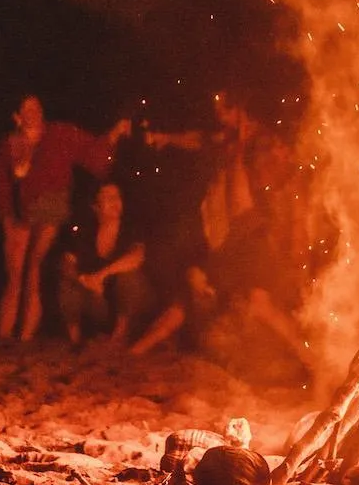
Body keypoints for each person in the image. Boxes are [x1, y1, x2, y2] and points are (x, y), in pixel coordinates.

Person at [132, 90, 308, 364]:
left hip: (257, 233)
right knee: (200, 285)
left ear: (240, 109)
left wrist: (294, 236)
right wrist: (166, 138)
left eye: (224, 109)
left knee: (256, 302)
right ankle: (139, 348)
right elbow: (199, 139)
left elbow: (287, 182)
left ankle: (310, 358)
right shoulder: (228, 139)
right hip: (236, 237)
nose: (218, 116)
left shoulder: (263, 141)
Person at [0, 95, 131, 343]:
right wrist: (5, 220)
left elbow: (92, 150)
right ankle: (4, 336)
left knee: (33, 266)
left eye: (36, 107)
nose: (32, 112)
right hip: (20, 212)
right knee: (14, 273)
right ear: (17, 115)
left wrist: (115, 133)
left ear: (43, 111)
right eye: (26, 108)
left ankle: (24, 337)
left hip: (52, 207)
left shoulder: (60, 134)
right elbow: (2, 184)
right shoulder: (10, 143)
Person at [57, 182, 153, 345]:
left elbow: (136, 257)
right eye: (108, 197)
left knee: (130, 277)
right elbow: (66, 264)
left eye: (117, 197)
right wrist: (83, 279)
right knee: (68, 284)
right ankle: (75, 339)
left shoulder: (130, 228)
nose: (115, 201)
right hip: (99, 302)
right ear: (96, 206)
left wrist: (101, 275)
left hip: (131, 305)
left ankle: (119, 335)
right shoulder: (85, 232)